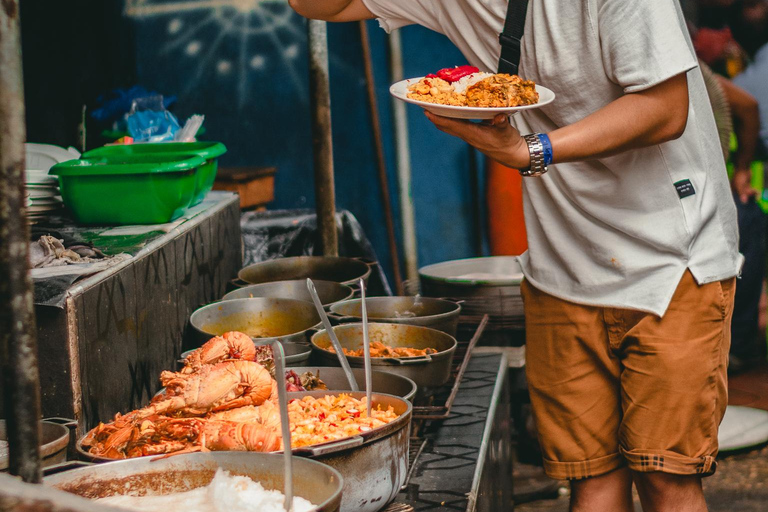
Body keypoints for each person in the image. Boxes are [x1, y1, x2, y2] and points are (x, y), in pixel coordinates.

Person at [289, 1, 742, 511]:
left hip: (670, 262)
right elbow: (317, 5)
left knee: (665, 478)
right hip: (562, 264)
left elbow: (666, 107)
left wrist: (532, 150)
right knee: (591, 476)